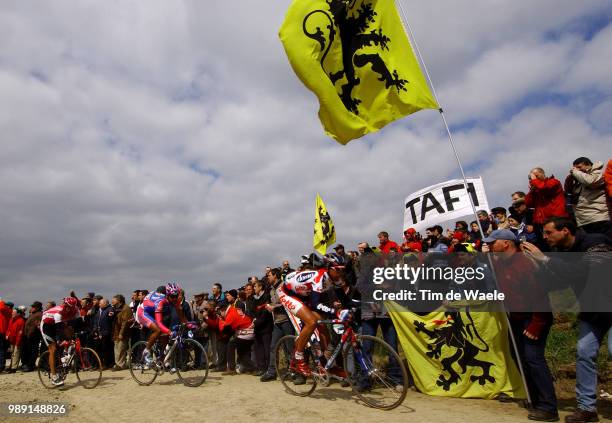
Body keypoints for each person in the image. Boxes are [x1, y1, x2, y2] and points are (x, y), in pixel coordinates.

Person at [522, 217, 611, 423]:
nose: (545, 237)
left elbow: (586, 271)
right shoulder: (562, 254)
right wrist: (537, 266)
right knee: (584, 352)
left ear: (565, 231)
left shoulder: (596, 242)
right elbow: (556, 283)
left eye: (548, 232)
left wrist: (545, 260)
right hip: (592, 312)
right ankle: (587, 409)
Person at [482, 230, 558, 421]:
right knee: (519, 357)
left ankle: (549, 407)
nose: (490, 246)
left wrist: (536, 323)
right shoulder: (499, 263)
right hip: (515, 317)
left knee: (534, 358)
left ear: (506, 244)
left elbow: (540, 295)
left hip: (534, 317)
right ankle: (534, 398)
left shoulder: (525, 263)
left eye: (493, 243)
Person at [277, 253, 345, 378]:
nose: (341, 272)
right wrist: (334, 312)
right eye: (338, 269)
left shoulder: (335, 278)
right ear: (330, 268)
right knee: (312, 322)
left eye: (343, 269)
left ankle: (328, 363)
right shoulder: (319, 277)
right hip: (287, 293)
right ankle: (299, 356)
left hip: (303, 294)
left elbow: (345, 300)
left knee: (322, 326)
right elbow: (315, 304)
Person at [135, 283, 191, 367]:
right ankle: (146, 351)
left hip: (153, 311)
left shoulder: (175, 299)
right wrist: (170, 332)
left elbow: (181, 315)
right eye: (172, 296)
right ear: (167, 295)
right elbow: (159, 323)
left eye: (176, 296)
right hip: (143, 312)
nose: (175, 298)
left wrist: (189, 325)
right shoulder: (160, 301)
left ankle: (162, 358)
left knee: (165, 336)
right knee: (158, 329)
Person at [260, 268, 296, 382]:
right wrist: (270, 306)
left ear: (275, 275)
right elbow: (275, 303)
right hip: (277, 322)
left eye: (269, 275)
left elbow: (288, 302)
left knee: (290, 348)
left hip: (287, 321)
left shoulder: (284, 286)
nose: (267, 277)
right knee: (273, 347)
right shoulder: (271, 289)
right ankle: (272, 372)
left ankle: (294, 371)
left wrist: (274, 307)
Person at [39, 296, 80, 386]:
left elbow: (77, 324)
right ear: (64, 305)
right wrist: (63, 340)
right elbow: (59, 330)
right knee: (52, 349)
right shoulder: (59, 313)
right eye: (66, 306)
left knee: (68, 334)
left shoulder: (76, 310)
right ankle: (54, 377)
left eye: (70, 307)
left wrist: (74, 336)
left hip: (59, 323)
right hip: (47, 325)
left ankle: (61, 364)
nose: (68, 309)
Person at [564, 157, 610, 235]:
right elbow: (568, 190)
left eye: (579, 167)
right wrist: (570, 178)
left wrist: (575, 172)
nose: (577, 170)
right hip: (584, 220)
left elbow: (590, 181)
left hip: (598, 218)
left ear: (588, 165)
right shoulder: (580, 178)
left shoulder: (597, 173)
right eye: (575, 168)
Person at [20, 301, 43, 372]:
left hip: (34, 335)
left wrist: (31, 332)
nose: (31, 308)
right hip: (29, 335)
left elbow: (37, 325)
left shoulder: (39, 314)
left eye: (33, 307)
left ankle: (30, 365)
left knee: (33, 351)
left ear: (37, 308)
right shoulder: (33, 314)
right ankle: (27, 364)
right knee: (28, 350)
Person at [111, 295, 132, 371]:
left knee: (121, 348)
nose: (112, 301)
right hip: (116, 331)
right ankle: (117, 364)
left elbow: (125, 322)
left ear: (119, 300)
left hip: (123, 332)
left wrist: (121, 333)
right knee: (116, 348)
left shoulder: (126, 308)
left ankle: (121, 364)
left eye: (114, 299)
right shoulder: (116, 308)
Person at [6, 306, 27, 372]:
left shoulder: (21, 321)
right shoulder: (12, 319)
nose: (12, 313)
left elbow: (20, 333)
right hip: (12, 340)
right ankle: (11, 366)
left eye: (14, 313)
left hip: (17, 341)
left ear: (18, 313)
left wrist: (18, 342)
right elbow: (9, 329)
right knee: (12, 354)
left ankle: (14, 368)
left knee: (16, 353)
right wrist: (7, 335)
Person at [0, 298, 13, 372]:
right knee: (3, 350)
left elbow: (1, 307)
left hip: (2, 331)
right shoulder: (8, 311)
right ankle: (2, 365)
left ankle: (1, 366)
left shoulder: (6, 310)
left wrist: (1, 301)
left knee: (1, 350)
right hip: (4, 332)